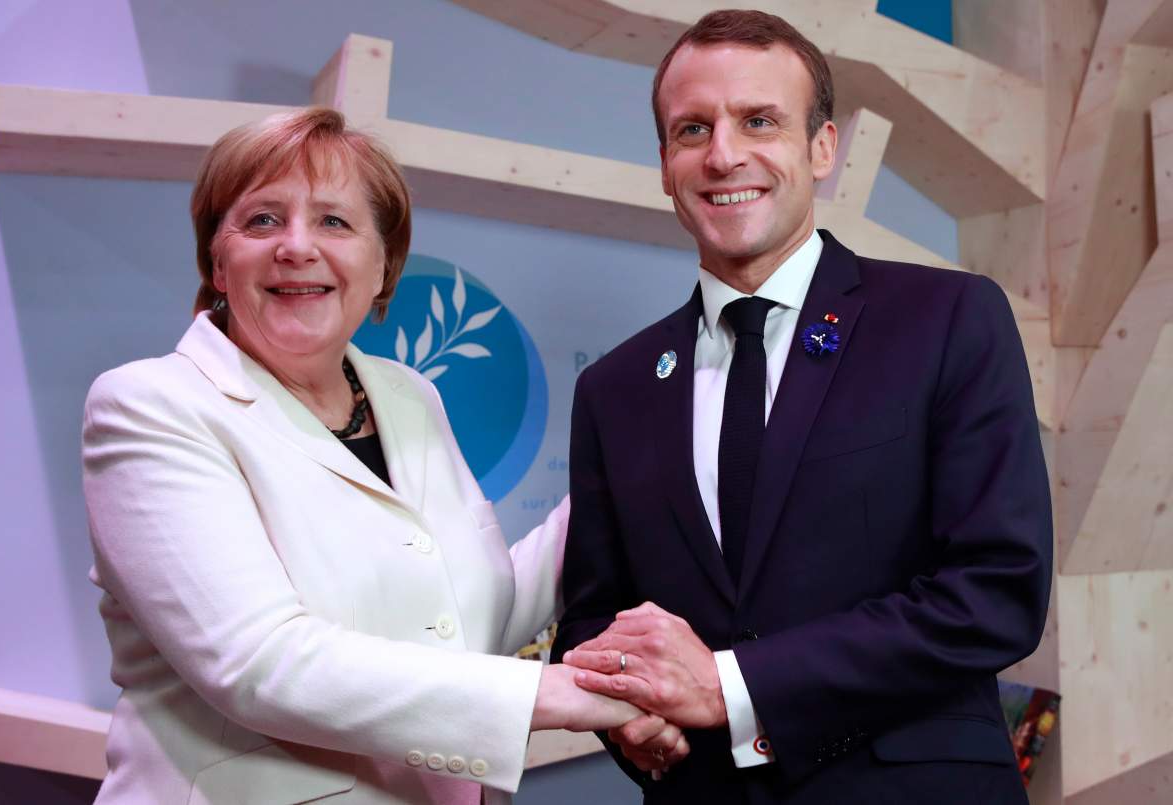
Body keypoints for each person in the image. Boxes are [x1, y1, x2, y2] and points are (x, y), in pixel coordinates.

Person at [81, 107, 656, 805]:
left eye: (334, 222)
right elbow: (261, 664)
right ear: (216, 260)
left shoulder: (406, 394)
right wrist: (568, 693)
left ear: (385, 265)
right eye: (262, 219)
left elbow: (463, 619)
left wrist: (619, 480)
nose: (297, 247)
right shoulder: (148, 406)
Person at [554, 9, 1052, 804]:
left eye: (759, 120)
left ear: (822, 148)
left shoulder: (949, 318)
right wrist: (627, 715)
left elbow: (995, 590)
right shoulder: (612, 389)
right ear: (663, 162)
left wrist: (728, 685)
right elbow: (590, 621)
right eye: (692, 129)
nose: (724, 155)